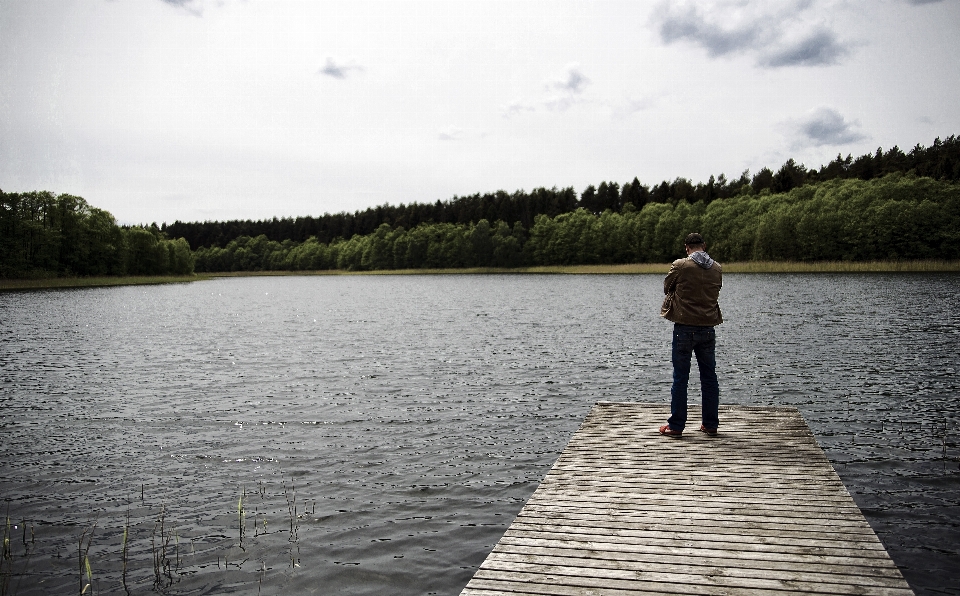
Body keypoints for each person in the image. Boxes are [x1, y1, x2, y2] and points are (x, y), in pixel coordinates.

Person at [658, 232, 722, 438]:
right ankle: (710, 424)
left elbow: (667, 287)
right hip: (708, 329)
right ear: (704, 245)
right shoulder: (717, 268)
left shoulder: (681, 265)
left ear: (687, 248)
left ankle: (676, 426)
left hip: (684, 328)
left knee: (680, 378)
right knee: (709, 377)